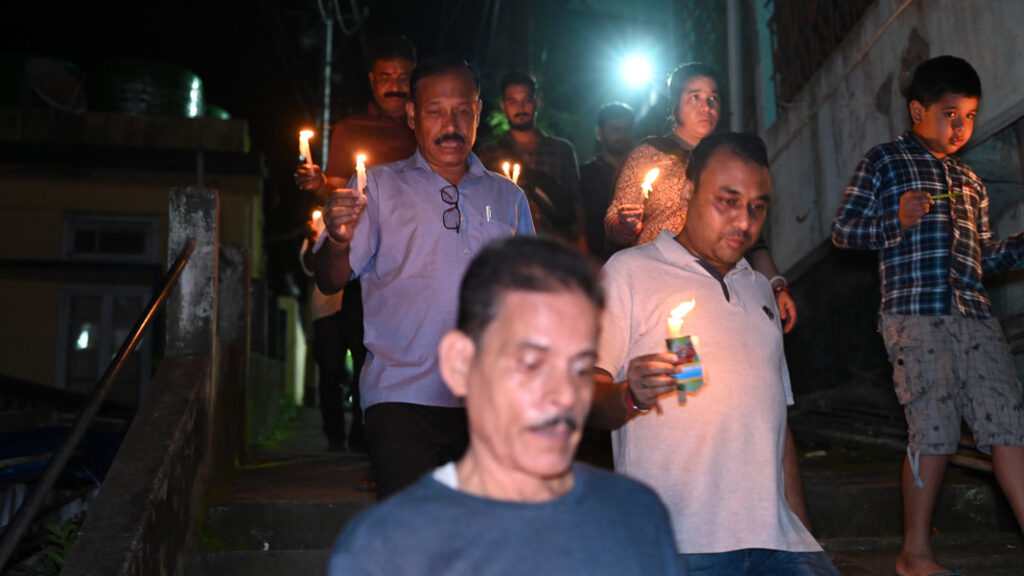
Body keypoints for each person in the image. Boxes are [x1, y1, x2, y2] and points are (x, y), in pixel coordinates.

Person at [327, 236, 680, 576]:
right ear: (460, 364)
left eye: (580, 367)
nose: (563, 395)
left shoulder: (636, 517)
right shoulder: (387, 547)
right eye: (531, 363)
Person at [590, 132, 839, 575]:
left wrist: (805, 538)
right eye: (727, 201)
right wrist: (629, 395)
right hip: (678, 542)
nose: (743, 222)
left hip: (779, 544)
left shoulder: (761, 291)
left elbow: (779, 431)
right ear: (689, 190)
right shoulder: (629, 273)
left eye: (757, 206)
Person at [831, 55, 1024, 576]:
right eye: (949, 114)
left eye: (968, 116)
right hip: (914, 316)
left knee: (1010, 425)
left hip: (974, 314)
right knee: (934, 428)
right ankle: (914, 554)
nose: (960, 127)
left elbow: (984, 257)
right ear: (917, 110)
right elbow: (844, 231)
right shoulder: (885, 162)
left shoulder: (971, 182)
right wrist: (894, 220)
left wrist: (1020, 246)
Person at [313, 56, 535, 500]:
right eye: (435, 111)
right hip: (400, 396)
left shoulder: (508, 196)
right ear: (413, 115)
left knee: (473, 543)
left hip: (485, 402)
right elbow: (329, 280)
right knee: (412, 533)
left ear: (477, 111)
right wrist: (337, 240)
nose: (449, 124)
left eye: (462, 111)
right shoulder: (375, 188)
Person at [604, 62, 798, 332]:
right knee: (673, 361)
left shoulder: (730, 164)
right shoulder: (650, 151)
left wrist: (777, 286)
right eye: (694, 97)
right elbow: (614, 218)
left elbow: (754, 241)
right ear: (674, 106)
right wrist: (625, 226)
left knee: (707, 367)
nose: (706, 106)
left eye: (713, 98)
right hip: (658, 282)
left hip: (715, 288)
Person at [297, 35, 420, 457]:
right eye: (386, 76)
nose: (395, 85)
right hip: (364, 258)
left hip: (414, 258)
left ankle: (392, 440)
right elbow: (337, 189)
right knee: (361, 346)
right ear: (372, 81)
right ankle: (364, 436)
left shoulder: (424, 127)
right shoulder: (351, 129)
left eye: (404, 76)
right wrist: (318, 186)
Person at [476, 71, 583, 245]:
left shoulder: (561, 150)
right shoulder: (488, 154)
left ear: (536, 103)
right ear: (504, 107)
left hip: (555, 247)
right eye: (513, 101)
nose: (521, 107)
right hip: (508, 248)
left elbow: (575, 202)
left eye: (526, 100)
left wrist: (582, 246)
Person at [299, 211, 347, 451]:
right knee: (329, 372)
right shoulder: (317, 221)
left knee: (365, 369)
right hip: (327, 308)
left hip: (361, 306)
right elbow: (309, 267)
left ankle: (363, 437)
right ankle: (335, 436)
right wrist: (312, 238)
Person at [579, 102, 635, 260]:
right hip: (595, 259)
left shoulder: (640, 174)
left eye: (627, 129)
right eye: (616, 129)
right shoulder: (584, 175)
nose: (622, 135)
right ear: (599, 133)